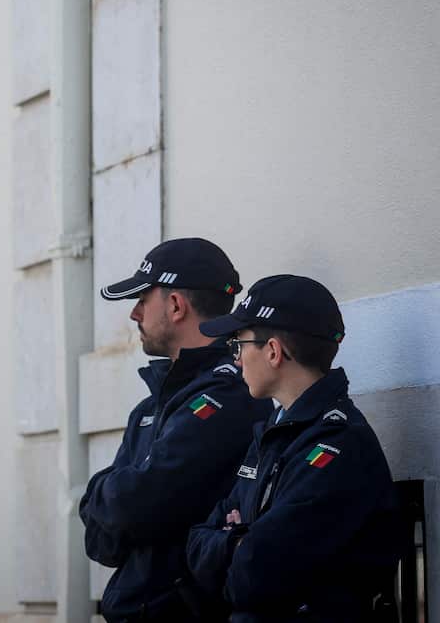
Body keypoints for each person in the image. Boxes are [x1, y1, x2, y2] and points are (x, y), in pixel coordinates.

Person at [186, 274, 403, 621]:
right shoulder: (273, 433)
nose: (237, 360)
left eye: (238, 344)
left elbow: (257, 575)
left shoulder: (338, 446)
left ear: (273, 351)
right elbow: (196, 545)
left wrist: (232, 539)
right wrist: (239, 543)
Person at [80, 238, 273, 622]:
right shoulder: (149, 409)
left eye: (141, 299)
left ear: (175, 305)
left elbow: (140, 502)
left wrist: (111, 496)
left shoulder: (230, 395)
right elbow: (101, 540)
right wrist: (113, 501)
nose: (134, 314)